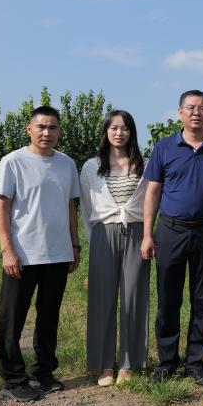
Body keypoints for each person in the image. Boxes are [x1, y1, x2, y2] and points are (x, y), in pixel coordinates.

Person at [141, 90, 203, 385]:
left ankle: (196, 361)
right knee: (168, 298)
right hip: (171, 230)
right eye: (191, 107)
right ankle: (167, 361)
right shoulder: (164, 147)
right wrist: (147, 234)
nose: (197, 112)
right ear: (180, 112)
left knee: (202, 298)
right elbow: (153, 192)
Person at [0, 105, 81, 402]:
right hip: (22, 254)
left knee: (48, 318)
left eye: (52, 127)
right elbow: (2, 207)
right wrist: (7, 249)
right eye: (41, 127)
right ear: (29, 129)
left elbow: (70, 206)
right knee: (12, 318)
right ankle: (13, 378)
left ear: (59, 131)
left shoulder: (67, 164)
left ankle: (44, 371)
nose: (47, 132)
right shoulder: (13, 161)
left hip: (57, 253)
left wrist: (74, 245)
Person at [80, 110, 150, 387]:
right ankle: (104, 365)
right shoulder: (91, 166)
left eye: (125, 128)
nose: (119, 133)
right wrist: (95, 238)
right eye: (114, 128)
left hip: (136, 233)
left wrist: (147, 235)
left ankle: (129, 364)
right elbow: (86, 207)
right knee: (102, 299)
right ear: (106, 132)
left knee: (134, 297)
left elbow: (150, 203)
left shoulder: (144, 165)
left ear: (132, 132)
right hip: (103, 234)